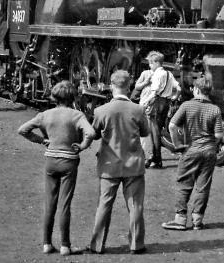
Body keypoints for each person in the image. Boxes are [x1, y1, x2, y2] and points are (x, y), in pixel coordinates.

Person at [17, 81, 95, 256]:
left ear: (54, 97)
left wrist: (41, 140)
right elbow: (90, 133)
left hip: (50, 161)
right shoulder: (77, 115)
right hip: (69, 162)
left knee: (49, 203)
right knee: (65, 204)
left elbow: (22, 130)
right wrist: (82, 145)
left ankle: (46, 243)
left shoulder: (45, 114)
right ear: (72, 97)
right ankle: (65, 245)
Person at [87, 70, 149, 255]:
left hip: (109, 165)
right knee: (135, 206)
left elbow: (94, 133)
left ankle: (97, 245)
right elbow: (145, 132)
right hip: (133, 165)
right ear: (129, 87)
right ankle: (136, 245)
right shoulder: (138, 110)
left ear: (111, 86)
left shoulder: (101, 110)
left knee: (104, 205)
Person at [161, 74, 223, 231]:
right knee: (203, 186)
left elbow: (172, 126)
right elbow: (219, 136)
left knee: (184, 184)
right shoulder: (215, 109)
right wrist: (210, 145)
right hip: (209, 152)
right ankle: (197, 220)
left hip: (190, 149)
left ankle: (180, 219)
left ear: (196, 89)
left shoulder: (187, 106)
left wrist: (177, 145)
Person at [145, 51, 181, 168]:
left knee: (154, 132)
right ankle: (156, 158)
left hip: (156, 103)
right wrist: (174, 97)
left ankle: (156, 159)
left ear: (156, 63)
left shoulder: (157, 75)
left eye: (150, 63)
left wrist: (144, 104)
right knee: (158, 131)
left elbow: (154, 92)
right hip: (166, 103)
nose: (150, 66)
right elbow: (178, 87)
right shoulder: (168, 73)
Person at [132, 68, 156, 165]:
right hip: (144, 104)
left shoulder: (163, 74)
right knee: (144, 130)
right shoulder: (145, 73)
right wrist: (146, 82)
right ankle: (146, 155)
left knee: (152, 131)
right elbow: (137, 86)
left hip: (155, 105)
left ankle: (149, 156)